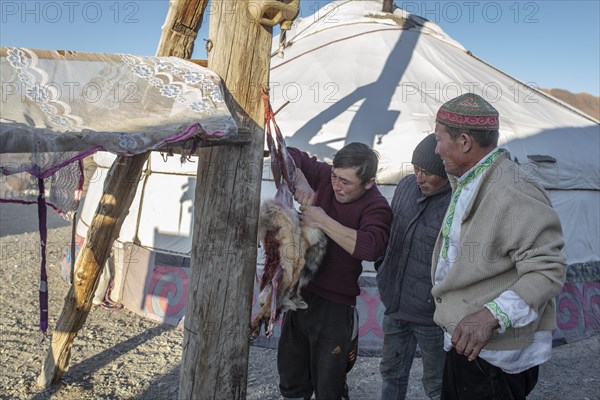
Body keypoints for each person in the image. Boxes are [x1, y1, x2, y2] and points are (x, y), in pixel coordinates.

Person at [431, 93, 567, 400]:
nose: (436, 149)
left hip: (493, 357)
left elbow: (548, 268)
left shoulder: (513, 190)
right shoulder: (473, 179)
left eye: (439, 139)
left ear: (464, 141)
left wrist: (488, 317)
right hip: (468, 346)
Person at [277, 142, 393, 400]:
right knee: (291, 377)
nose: (337, 185)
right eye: (334, 177)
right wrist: (301, 179)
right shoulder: (326, 178)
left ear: (368, 183)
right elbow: (286, 153)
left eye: (346, 182)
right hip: (301, 293)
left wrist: (323, 221)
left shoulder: (377, 207)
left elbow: (371, 247)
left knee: (329, 386)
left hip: (335, 309)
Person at [376, 134, 451, 400]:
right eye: (416, 169)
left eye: (428, 173)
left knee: (437, 382)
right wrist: (382, 267)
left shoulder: (457, 202)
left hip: (432, 315)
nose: (420, 178)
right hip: (396, 305)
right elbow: (391, 230)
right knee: (391, 373)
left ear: (444, 171)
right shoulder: (406, 186)